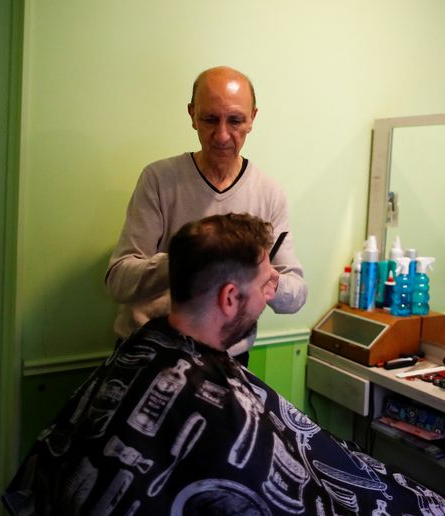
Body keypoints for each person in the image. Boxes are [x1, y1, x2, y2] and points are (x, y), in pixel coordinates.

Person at [3, 213, 445, 516]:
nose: (273, 291)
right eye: (267, 283)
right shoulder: (211, 406)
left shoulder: (144, 349)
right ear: (229, 297)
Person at [105, 66, 307, 365]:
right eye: (210, 119)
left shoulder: (268, 193)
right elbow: (118, 280)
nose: (222, 135)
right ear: (191, 115)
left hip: (228, 360)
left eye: (236, 120)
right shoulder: (159, 180)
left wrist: (264, 277)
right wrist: (189, 260)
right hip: (150, 355)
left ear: (252, 118)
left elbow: (296, 293)